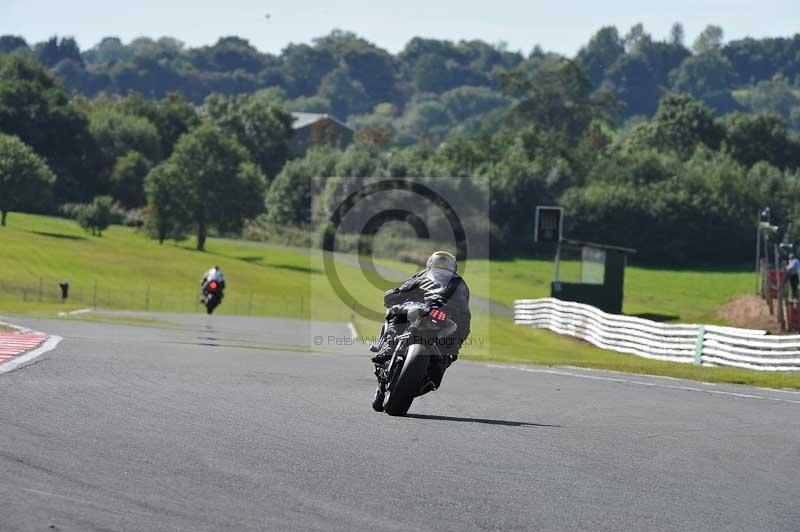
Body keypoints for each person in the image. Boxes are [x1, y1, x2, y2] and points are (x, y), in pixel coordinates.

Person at [371, 251, 471, 391]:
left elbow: (403, 291)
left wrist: (391, 295)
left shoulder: (424, 274)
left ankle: (388, 347)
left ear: (431, 262)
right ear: (453, 267)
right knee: (451, 349)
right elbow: (465, 314)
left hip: (426, 310)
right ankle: (441, 364)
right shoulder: (461, 283)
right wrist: (454, 349)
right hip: (449, 318)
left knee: (395, 310)